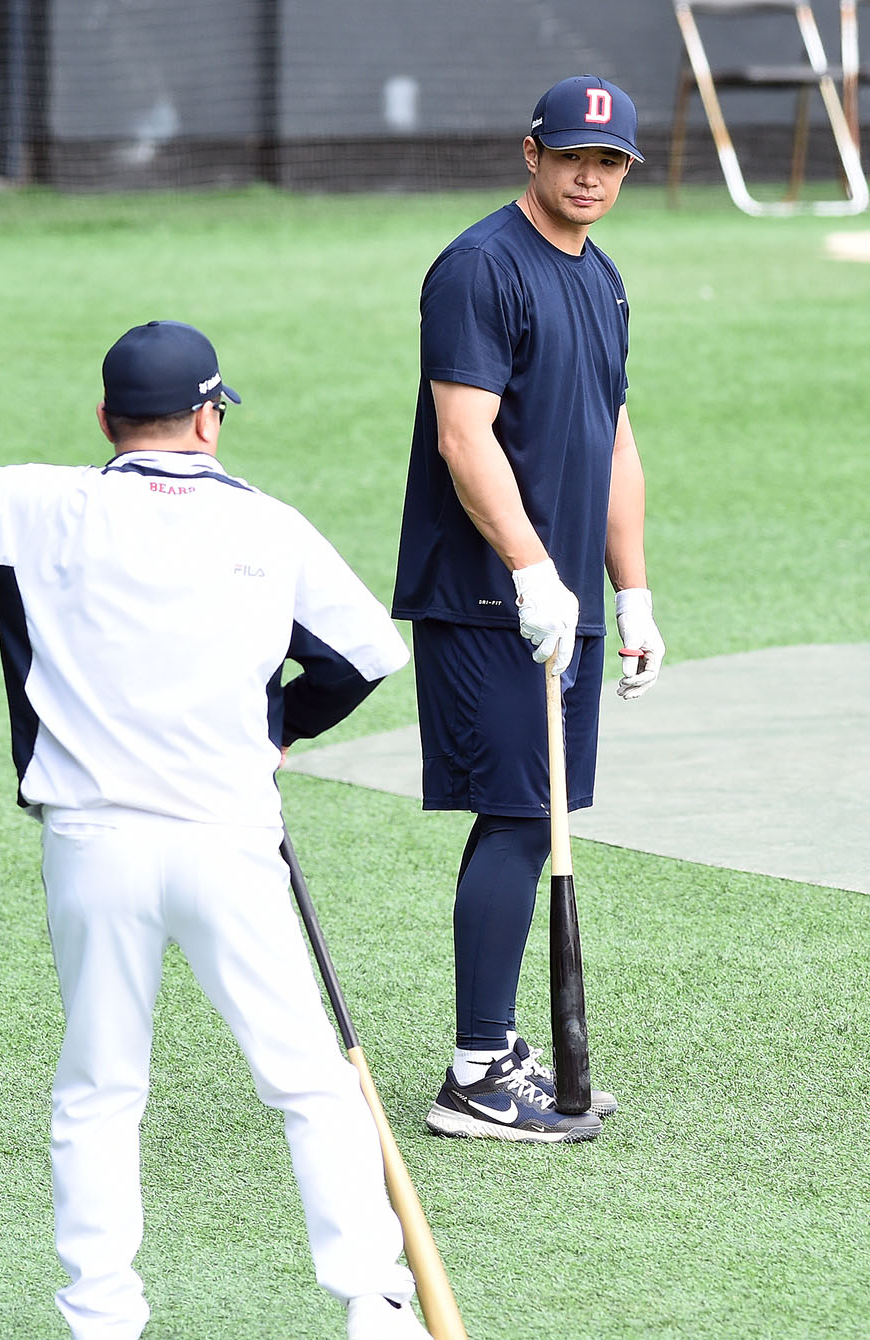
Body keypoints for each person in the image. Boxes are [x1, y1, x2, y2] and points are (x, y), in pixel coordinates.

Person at [0, 321, 441, 1340]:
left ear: (105, 422)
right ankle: (376, 1299)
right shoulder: (269, 526)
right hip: (228, 839)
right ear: (210, 417)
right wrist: (282, 726)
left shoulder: (45, 504)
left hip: (91, 846)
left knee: (98, 1089)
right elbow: (366, 654)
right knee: (309, 1081)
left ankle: (102, 1334)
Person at [391, 76, 666, 1143]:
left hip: (563, 595)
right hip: (485, 594)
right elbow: (465, 437)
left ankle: (497, 1047)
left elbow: (616, 442)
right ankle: (473, 1077)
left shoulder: (603, 280)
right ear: (532, 153)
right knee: (516, 812)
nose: (591, 175)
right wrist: (531, 570)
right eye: (573, 156)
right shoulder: (478, 267)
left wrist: (629, 588)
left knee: (538, 812)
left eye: (611, 162)